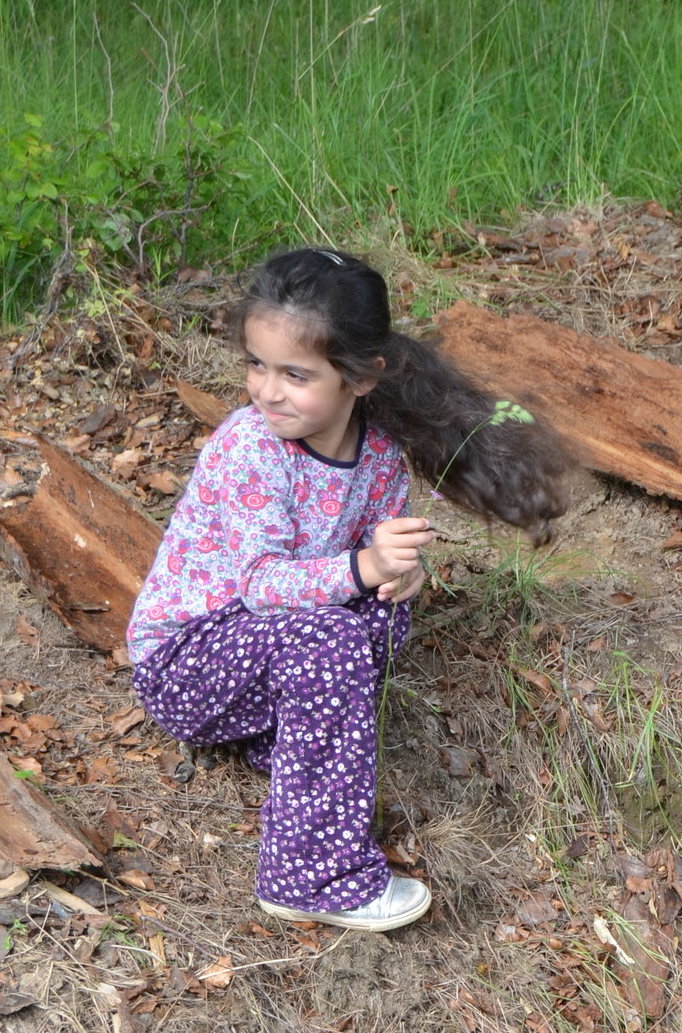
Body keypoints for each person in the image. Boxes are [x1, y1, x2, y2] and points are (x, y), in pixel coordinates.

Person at [127, 247, 570, 932]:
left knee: (383, 615)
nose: (267, 390)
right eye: (257, 365)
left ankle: (292, 748)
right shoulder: (251, 448)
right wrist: (365, 565)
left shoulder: (381, 454)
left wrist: (397, 572)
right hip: (189, 662)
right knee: (332, 630)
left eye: (295, 374)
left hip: (274, 646)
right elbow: (259, 585)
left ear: (361, 378)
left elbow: (367, 568)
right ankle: (310, 875)